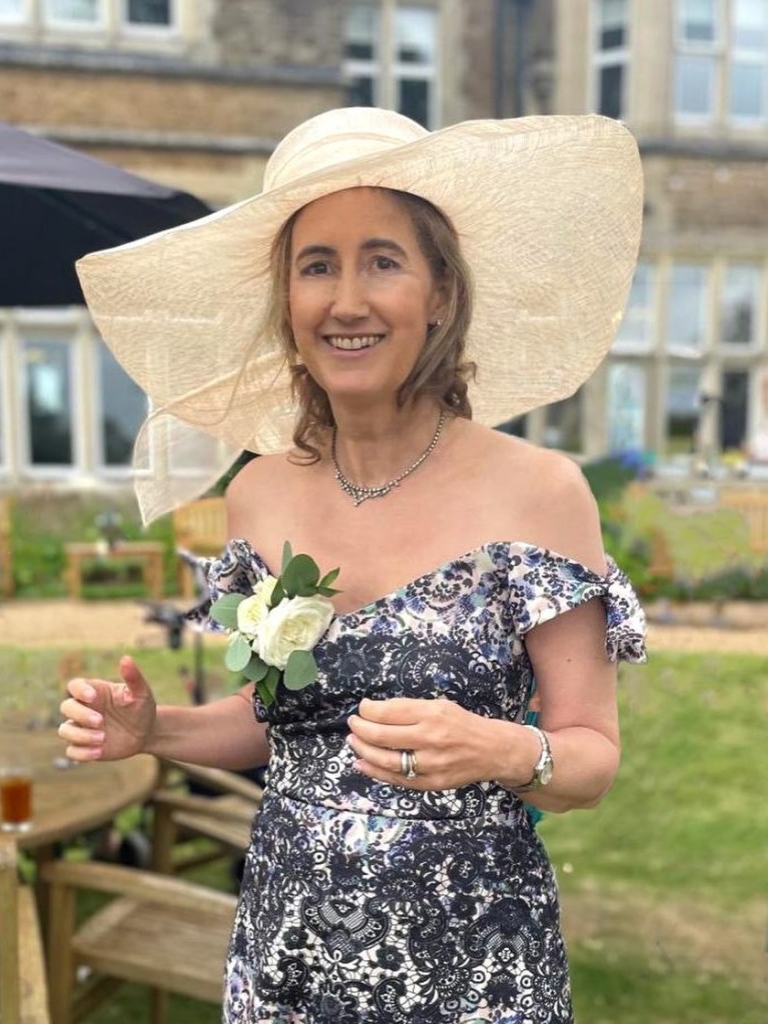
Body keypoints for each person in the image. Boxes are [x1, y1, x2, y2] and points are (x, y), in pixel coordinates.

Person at [60, 107, 647, 1022]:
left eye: (381, 261)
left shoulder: (540, 492)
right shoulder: (259, 493)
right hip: (287, 951)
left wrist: (496, 747)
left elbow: (590, 759)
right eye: (316, 266)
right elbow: (275, 721)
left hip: (475, 965)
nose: (346, 301)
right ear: (287, 303)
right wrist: (155, 730)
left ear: (439, 293)